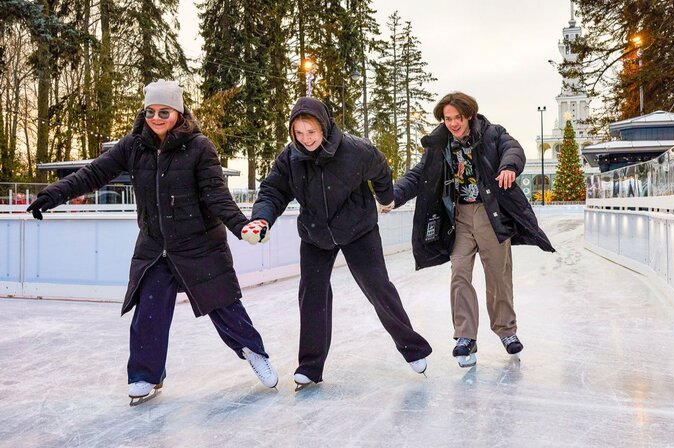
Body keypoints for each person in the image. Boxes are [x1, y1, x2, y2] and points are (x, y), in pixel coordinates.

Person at [26, 79, 279, 404]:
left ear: (178, 112)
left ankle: (254, 352)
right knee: (149, 310)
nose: (156, 117)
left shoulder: (199, 147)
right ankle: (146, 375)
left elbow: (216, 196)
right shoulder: (133, 145)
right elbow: (93, 173)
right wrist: (52, 195)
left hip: (200, 244)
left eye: (164, 111)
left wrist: (242, 227)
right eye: (151, 111)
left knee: (223, 305)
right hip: (155, 246)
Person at [243, 97, 432, 390]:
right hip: (316, 234)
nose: (306, 139)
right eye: (299, 133)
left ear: (324, 127)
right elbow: (272, 192)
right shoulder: (290, 158)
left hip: (358, 230)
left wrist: (385, 197)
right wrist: (261, 219)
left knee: (378, 287)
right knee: (312, 294)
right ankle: (310, 366)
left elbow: (381, 169)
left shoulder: (356, 150)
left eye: (311, 132)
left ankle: (413, 349)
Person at [386, 91, 555, 368]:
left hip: (491, 214)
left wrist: (509, 167)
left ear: (470, 116)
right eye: (448, 118)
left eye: (458, 118)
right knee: (460, 272)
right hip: (459, 218)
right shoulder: (439, 144)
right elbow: (418, 175)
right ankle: (465, 335)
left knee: (498, 275)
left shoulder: (491, 133)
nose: (453, 123)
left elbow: (513, 149)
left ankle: (506, 330)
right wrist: (394, 196)